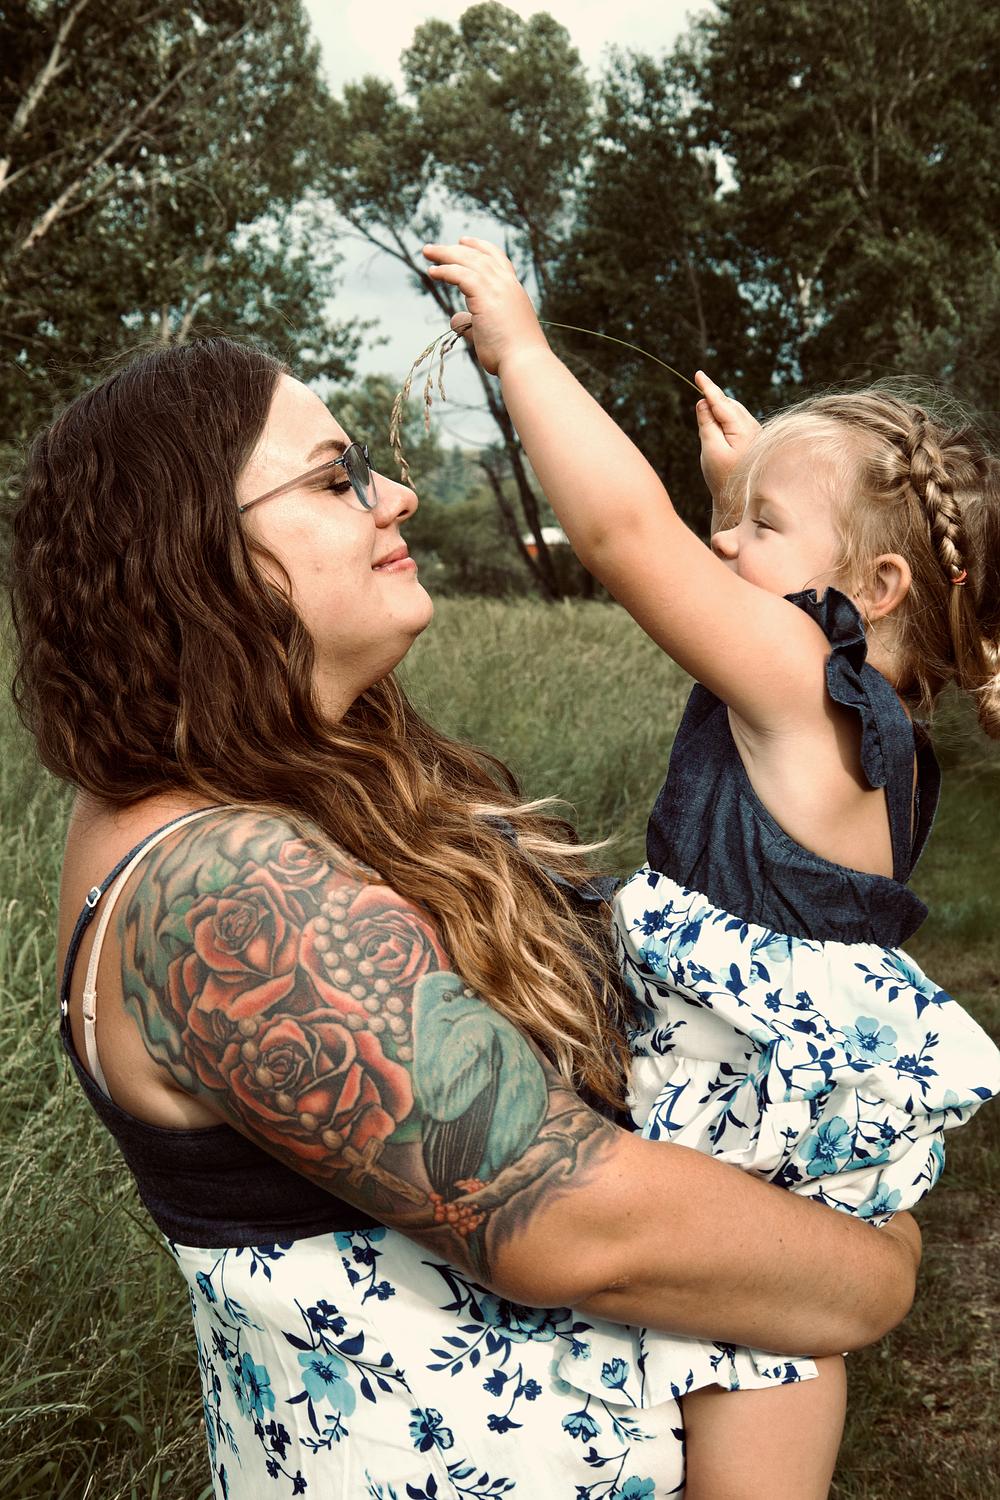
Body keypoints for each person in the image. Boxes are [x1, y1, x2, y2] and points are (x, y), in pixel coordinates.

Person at [9, 338, 924, 1500]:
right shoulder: (216, 885)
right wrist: (875, 1262)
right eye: (337, 479)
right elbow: (570, 1220)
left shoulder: (307, 790)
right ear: (193, 552)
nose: (396, 495)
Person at [420, 237, 1000, 1499]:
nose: (722, 545)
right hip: (742, 1135)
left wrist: (521, 351)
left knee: (751, 1371)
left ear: (875, 586)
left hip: (737, 1145)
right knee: (743, 1357)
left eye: (756, 531)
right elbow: (755, 565)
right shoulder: (870, 721)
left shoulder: (798, 679)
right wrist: (755, 492)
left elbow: (624, 534)